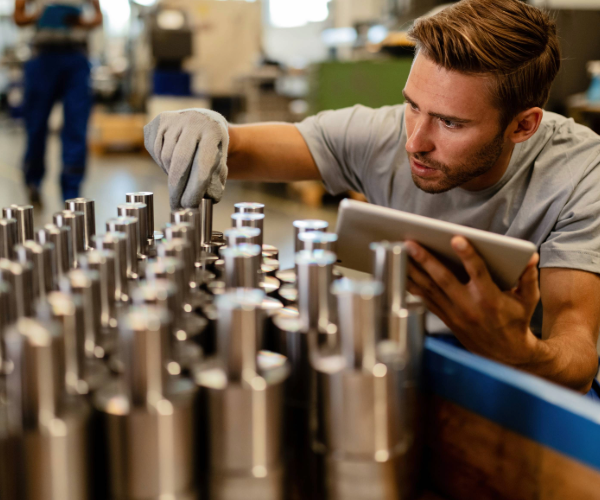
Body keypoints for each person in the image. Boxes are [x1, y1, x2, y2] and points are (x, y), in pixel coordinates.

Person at [144, 0, 600, 396]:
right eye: (413, 105)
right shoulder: (378, 135)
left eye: (451, 123)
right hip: (412, 349)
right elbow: (238, 149)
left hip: (528, 380)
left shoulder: (580, 172)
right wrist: (202, 127)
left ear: (523, 125)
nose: (415, 141)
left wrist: (518, 351)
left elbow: (577, 359)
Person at [14, 0, 102, 203]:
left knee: (76, 127)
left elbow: (98, 17)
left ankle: (71, 191)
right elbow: (18, 17)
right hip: (43, 59)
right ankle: (33, 181)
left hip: (76, 61)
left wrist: (80, 21)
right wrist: (40, 15)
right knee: (35, 126)